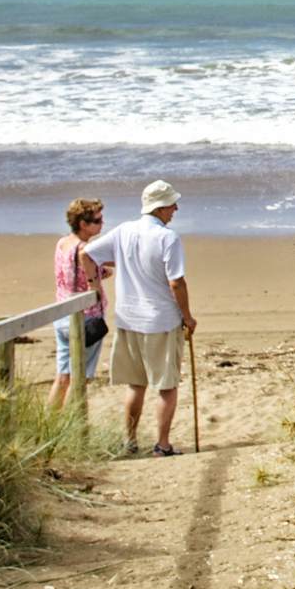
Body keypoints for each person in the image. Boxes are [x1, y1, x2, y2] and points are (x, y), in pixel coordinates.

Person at [84, 180, 196, 457]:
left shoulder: (124, 231)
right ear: (159, 208)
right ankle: (162, 444)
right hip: (160, 320)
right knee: (166, 385)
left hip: (129, 319)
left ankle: (130, 441)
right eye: (171, 204)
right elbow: (176, 283)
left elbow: (88, 255)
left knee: (137, 384)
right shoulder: (167, 237)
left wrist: (94, 287)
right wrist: (188, 317)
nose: (176, 208)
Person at [47, 197, 109, 410]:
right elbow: (93, 273)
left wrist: (99, 272)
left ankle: (50, 422)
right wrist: (97, 281)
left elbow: (73, 273)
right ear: (84, 224)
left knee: (63, 375)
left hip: (62, 311)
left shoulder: (63, 243)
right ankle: (72, 425)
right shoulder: (84, 250)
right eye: (98, 220)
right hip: (85, 317)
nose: (102, 223)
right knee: (79, 377)